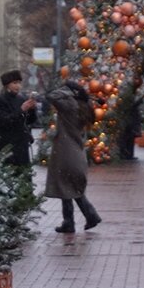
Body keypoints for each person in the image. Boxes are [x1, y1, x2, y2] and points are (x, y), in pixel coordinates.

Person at [45, 80, 101, 233]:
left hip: (65, 151)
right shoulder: (85, 106)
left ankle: (86, 217)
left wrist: (66, 91)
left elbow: (51, 96)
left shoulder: (70, 105)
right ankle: (75, 220)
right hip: (78, 152)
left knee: (67, 186)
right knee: (69, 186)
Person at [0, 70, 37, 167]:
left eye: (19, 83)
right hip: (7, 144)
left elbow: (30, 121)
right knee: (9, 173)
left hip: (21, 145)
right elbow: (5, 121)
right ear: (7, 85)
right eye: (15, 83)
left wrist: (32, 109)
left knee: (23, 174)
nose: (18, 86)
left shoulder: (21, 99)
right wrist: (22, 110)